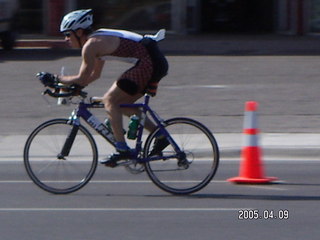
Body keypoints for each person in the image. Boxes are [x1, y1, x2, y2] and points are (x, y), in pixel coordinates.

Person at [38, 9, 169, 167]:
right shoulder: (96, 42)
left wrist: (56, 78)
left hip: (149, 62)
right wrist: (75, 87)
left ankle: (122, 149)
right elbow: (94, 75)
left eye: (67, 34)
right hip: (153, 61)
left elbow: (83, 77)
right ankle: (160, 136)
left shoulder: (91, 45)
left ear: (79, 32)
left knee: (110, 100)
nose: (66, 39)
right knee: (121, 105)